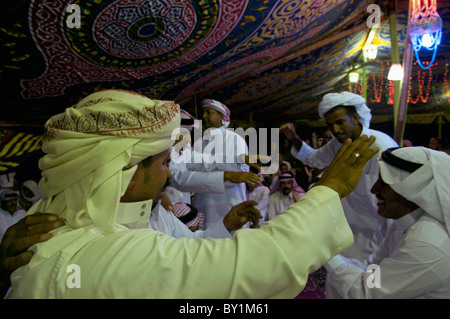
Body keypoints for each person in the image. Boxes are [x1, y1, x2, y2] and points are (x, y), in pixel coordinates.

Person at [4, 89, 380, 298]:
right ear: (124, 172)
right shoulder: (108, 251)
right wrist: (330, 188)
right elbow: (258, 264)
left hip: (228, 209)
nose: (170, 173)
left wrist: (224, 226)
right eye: (165, 162)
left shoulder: (68, 220)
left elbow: (189, 252)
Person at [281, 91, 398, 260]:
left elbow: (395, 195)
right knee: (345, 279)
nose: (335, 130)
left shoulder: (381, 146)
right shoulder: (338, 144)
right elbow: (314, 159)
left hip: (376, 233)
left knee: (372, 280)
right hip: (347, 228)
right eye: (330, 125)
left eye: (340, 122)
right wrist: (294, 138)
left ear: (355, 118)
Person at [325, 147, 450, 298]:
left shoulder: (426, 245)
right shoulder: (404, 223)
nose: (374, 189)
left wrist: (323, 252)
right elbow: (373, 269)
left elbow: (367, 292)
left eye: (385, 183)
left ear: (413, 189)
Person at [184, 99, 251, 229]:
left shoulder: (235, 139)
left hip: (228, 201)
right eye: (203, 113)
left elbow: (242, 171)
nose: (204, 116)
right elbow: (192, 169)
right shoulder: (200, 141)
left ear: (221, 116)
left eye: (209, 112)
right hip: (203, 202)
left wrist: (222, 174)